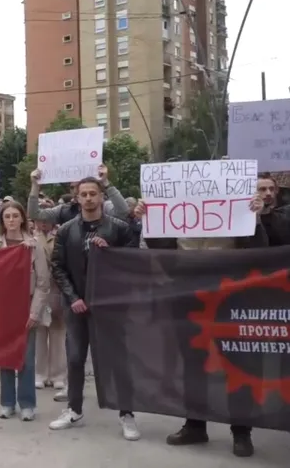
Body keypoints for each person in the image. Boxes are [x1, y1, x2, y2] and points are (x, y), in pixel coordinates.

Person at [133, 195, 267, 457]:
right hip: (188, 297)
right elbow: (163, 250)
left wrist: (255, 216)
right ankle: (195, 425)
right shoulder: (178, 212)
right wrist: (150, 218)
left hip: (229, 297)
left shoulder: (238, 209)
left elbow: (259, 248)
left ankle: (241, 432)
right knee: (194, 363)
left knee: (237, 363)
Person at [48, 176, 140, 440]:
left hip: (110, 306)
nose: (88, 198)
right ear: (76, 198)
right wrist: (73, 297)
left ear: (102, 197)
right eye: (83, 194)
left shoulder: (119, 228)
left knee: (117, 361)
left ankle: (127, 414)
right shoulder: (66, 230)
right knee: (75, 358)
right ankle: (73, 410)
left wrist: (111, 252)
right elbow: (58, 266)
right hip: (77, 306)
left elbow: (133, 260)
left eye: (93, 193)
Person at [0, 201, 50, 421]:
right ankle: (7, 402)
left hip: (27, 306)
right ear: (2, 220)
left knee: (26, 357)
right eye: (7, 216)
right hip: (2, 308)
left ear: (22, 218)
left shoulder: (34, 245)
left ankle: (27, 403)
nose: (12, 220)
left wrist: (35, 313)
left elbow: (43, 282)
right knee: (5, 356)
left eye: (15, 215)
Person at [27, 165, 130, 224]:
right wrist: (35, 185)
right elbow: (34, 214)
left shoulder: (104, 207)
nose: (75, 190)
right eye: (72, 187)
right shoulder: (64, 211)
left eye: (92, 193)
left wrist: (106, 182)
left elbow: (123, 211)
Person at [33, 218, 66, 394]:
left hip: (57, 288)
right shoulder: (30, 237)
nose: (42, 223)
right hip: (38, 289)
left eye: (46, 220)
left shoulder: (61, 234)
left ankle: (58, 375)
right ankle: (39, 373)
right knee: (38, 333)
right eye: (39, 220)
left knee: (58, 333)